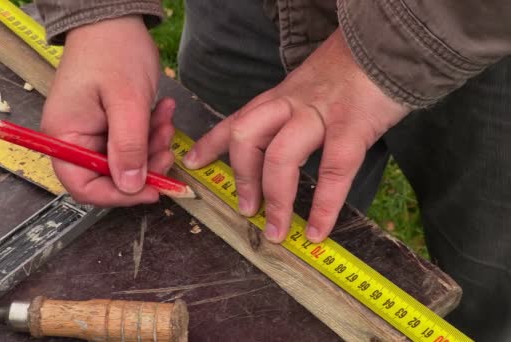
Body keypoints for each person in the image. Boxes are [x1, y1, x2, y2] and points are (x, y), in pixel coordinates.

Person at [35, 1, 511, 339]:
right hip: (252, 13)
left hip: (487, 30)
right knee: (238, 272)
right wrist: (99, 15)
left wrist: (385, 54)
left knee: (493, 272)